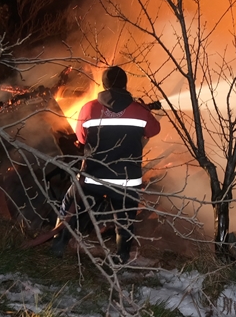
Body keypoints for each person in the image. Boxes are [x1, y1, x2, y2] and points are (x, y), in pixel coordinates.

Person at [53, 66, 160, 263]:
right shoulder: (138, 109)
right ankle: (123, 257)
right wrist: (143, 111)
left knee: (73, 205)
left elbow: (81, 138)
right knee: (125, 220)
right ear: (125, 84)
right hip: (127, 180)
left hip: (94, 176)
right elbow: (154, 130)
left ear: (104, 85)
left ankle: (59, 243)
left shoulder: (89, 108)